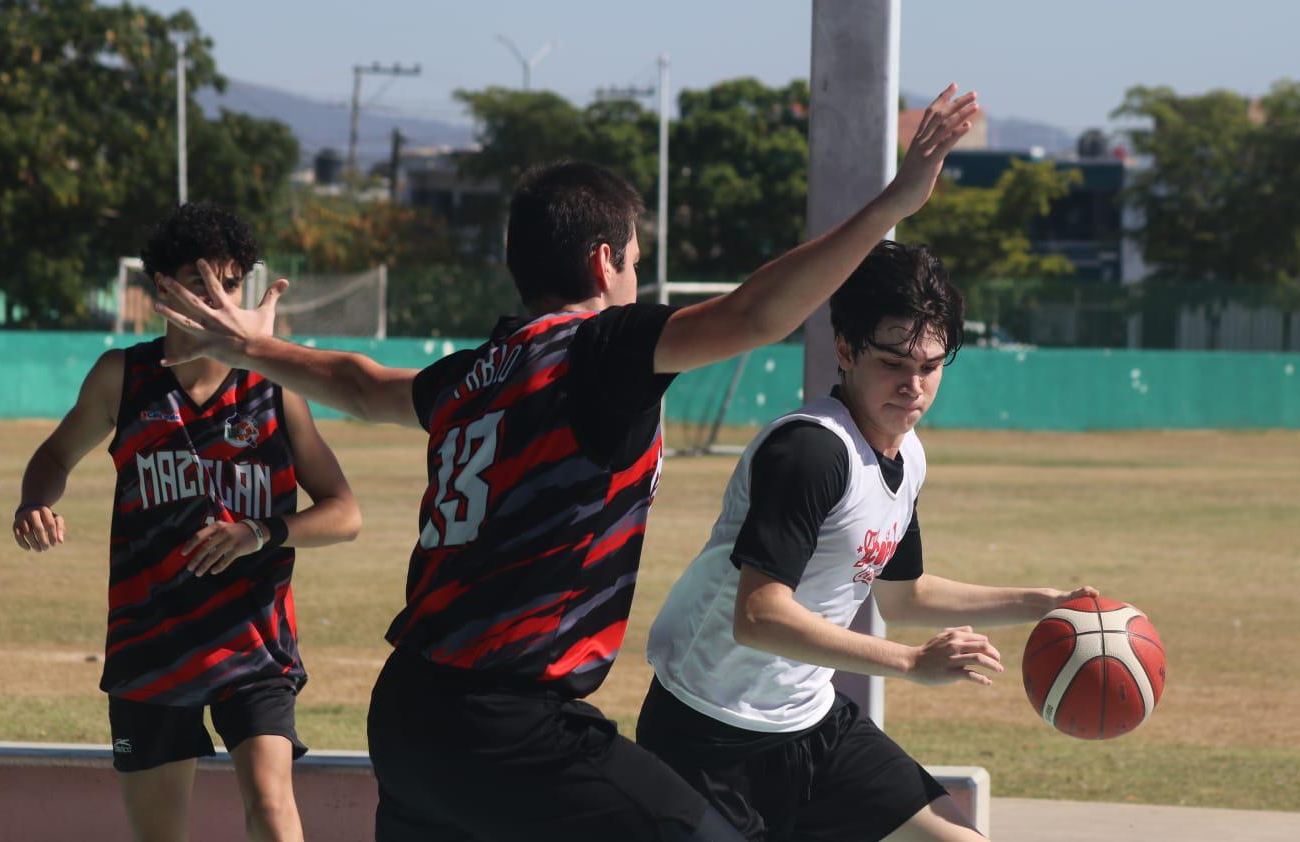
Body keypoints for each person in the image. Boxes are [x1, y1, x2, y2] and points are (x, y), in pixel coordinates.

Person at [152, 85, 981, 842]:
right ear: (602, 263)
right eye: (632, 257)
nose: (636, 275)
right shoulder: (602, 349)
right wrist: (895, 203)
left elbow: (362, 387)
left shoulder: (478, 370)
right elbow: (760, 311)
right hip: (511, 725)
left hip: (410, 714)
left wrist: (259, 349)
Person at [637, 240, 1098, 842]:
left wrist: (1040, 603)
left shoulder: (906, 455)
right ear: (846, 349)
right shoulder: (809, 452)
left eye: (930, 366)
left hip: (810, 722)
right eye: (893, 363)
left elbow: (903, 596)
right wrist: (910, 663)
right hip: (706, 736)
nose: (913, 385)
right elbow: (758, 617)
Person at [12, 202, 362, 842]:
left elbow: (345, 512)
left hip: (253, 643)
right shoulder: (123, 378)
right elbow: (55, 455)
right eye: (199, 284)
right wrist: (35, 500)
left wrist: (262, 531)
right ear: (161, 291)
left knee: (273, 810)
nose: (217, 301)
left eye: (229, 285)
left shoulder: (274, 387)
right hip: (152, 643)